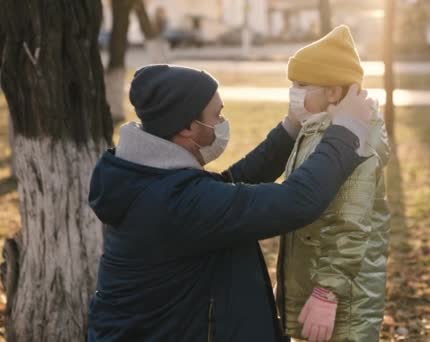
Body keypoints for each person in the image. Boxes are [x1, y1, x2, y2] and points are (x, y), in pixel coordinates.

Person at [86, 64, 375, 341]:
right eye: (216, 115)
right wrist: (346, 130)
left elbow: (228, 185)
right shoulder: (179, 203)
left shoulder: (142, 179)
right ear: (187, 127)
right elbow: (296, 201)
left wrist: (291, 127)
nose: (222, 124)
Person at [275, 25, 391, 342]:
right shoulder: (316, 130)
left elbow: (349, 223)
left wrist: (328, 291)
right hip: (312, 281)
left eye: (301, 85)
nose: (293, 93)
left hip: (344, 299)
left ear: (333, 93)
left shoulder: (355, 141)